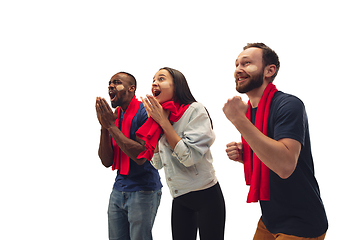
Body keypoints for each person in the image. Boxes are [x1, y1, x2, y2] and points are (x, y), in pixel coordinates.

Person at [223, 43, 328, 239]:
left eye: (247, 63)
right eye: (237, 64)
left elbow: (285, 165)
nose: (238, 69)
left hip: (301, 223)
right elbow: (267, 148)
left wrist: (238, 120)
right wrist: (247, 154)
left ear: (269, 70)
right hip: (270, 219)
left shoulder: (289, 105)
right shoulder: (252, 112)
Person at [136, 67, 225, 240]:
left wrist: (163, 123)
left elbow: (189, 157)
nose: (154, 82)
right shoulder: (162, 115)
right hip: (179, 197)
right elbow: (157, 163)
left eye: (161, 78)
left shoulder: (195, 110)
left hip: (206, 195)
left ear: (177, 86)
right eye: (153, 79)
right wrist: (155, 124)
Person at [95, 72, 162, 240]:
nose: (110, 86)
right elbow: (106, 161)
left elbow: (141, 156)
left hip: (144, 190)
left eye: (116, 83)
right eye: (109, 83)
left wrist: (111, 126)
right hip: (119, 189)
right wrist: (104, 127)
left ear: (132, 88)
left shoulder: (144, 112)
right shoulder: (115, 116)